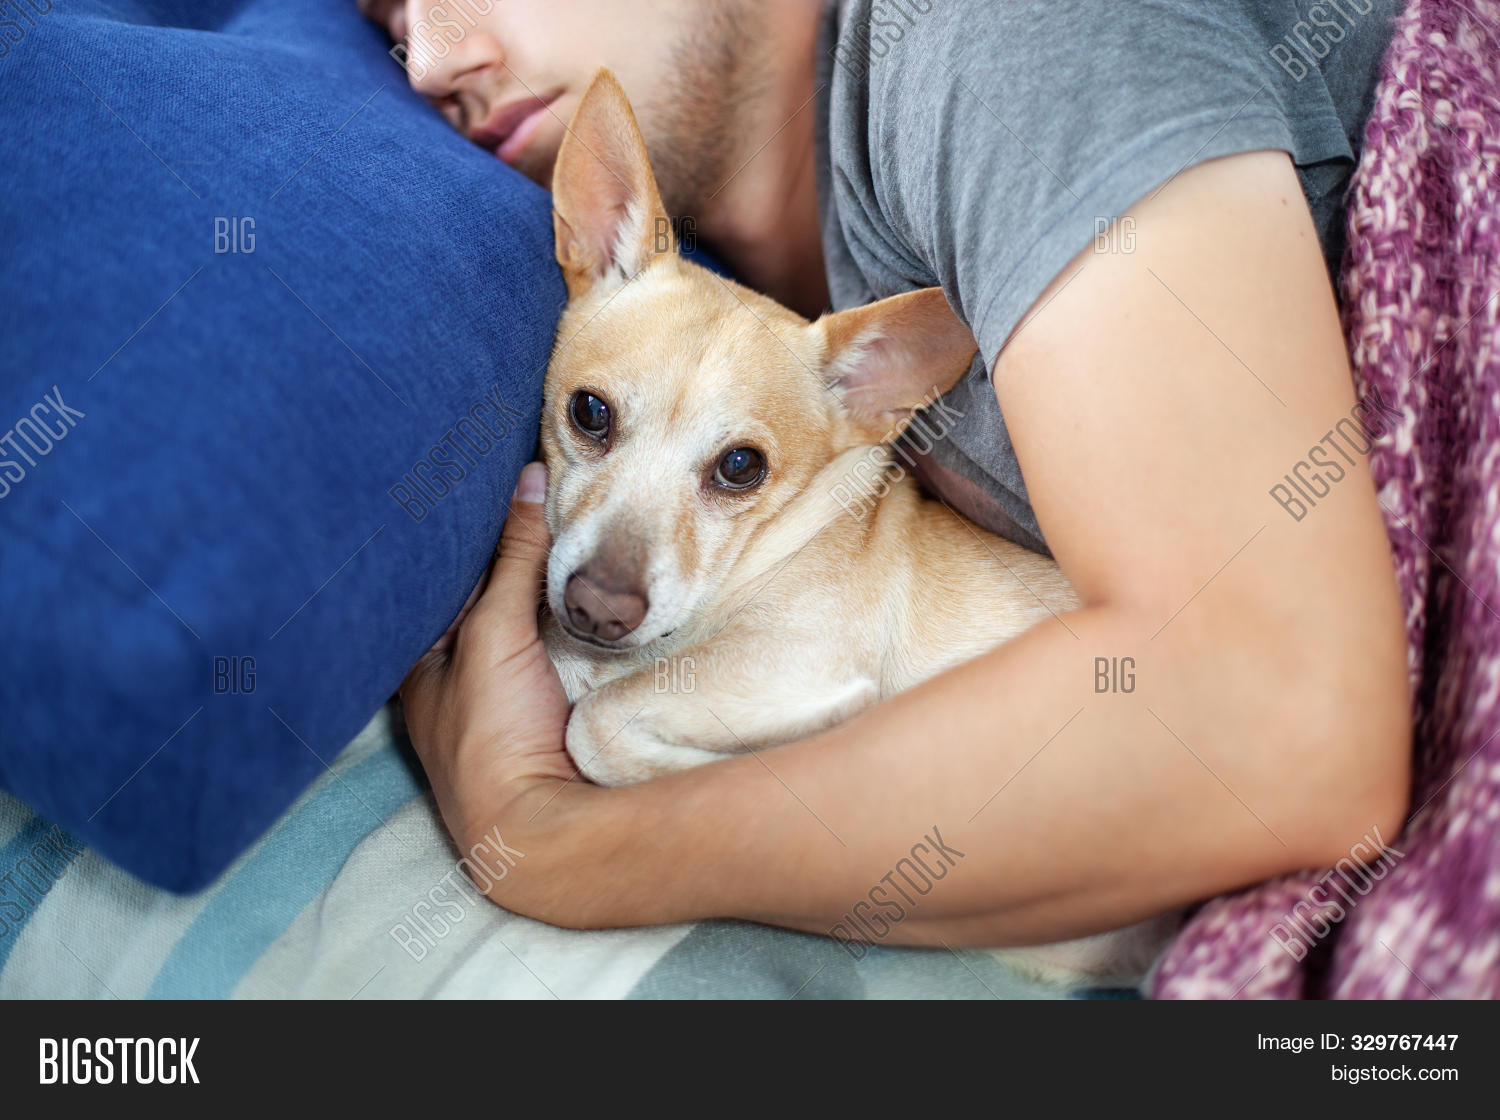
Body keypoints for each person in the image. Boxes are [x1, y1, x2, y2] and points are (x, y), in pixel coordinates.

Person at [360, 0, 1411, 950]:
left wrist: (550, 842)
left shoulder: (1003, 35)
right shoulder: (759, 323)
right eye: (384, 12)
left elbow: (1284, 722)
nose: (426, 57)